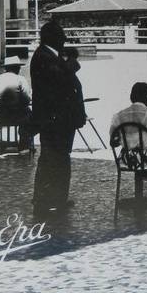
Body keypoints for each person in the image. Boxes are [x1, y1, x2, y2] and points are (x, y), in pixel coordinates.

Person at [30, 21, 86, 215]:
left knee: (57, 158)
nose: (63, 43)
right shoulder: (44, 57)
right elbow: (60, 80)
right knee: (53, 158)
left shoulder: (49, 56)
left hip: (59, 119)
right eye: (61, 39)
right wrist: (71, 61)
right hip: (54, 119)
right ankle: (47, 199)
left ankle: (54, 198)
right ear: (53, 39)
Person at [0, 55, 36, 151]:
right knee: (31, 115)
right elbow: (27, 100)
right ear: (17, 68)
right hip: (17, 117)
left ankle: (7, 143)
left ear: (5, 68)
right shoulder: (21, 79)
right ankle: (25, 143)